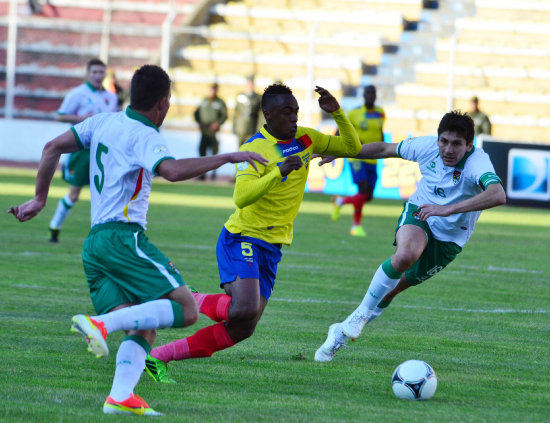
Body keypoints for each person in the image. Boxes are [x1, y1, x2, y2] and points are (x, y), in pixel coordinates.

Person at [8, 64, 267, 416]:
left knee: (144, 324)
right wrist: (228, 156)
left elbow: (53, 146)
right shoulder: (145, 134)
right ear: (163, 103)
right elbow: (172, 171)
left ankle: (120, 396)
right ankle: (100, 325)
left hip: (95, 245)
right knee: (186, 309)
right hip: (123, 238)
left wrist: (39, 199)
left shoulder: (103, 121)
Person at [143, 83, 362, 383]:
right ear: (268, 115)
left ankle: (158, 357)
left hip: (273, 247)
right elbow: (242, 197)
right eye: (287, 112)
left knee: (244, 327)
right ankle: (187, 297)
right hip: (242, 237)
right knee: (244, 308)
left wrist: (337, 112)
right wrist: (278, 172)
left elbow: (352, 148)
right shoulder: (253, 148)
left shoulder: (307, 138)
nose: (294, 117)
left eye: (296, 110)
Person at [314, 110, 506, 362]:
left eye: (457, 144)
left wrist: (447, 209)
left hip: (451, 238)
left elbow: (498, 194)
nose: (448, 149)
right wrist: (343, 151)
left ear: (469, 145)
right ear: (437, 139)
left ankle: (338, 334)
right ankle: (360, 314)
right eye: (444, 141)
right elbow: (384, 149)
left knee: (391, 291)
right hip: (421, 211)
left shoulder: (477, 162)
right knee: (405, 254)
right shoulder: (426, 146)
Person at [48, 58, 118, 243]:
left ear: (105, 74)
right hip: (82, 150)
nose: (97, 76)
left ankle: (105, 236)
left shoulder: (112, 97)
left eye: (101, 72)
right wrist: (81, 119)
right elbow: (60, 116)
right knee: (74, 194)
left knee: (108, 195)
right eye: (94, 72)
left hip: (104, 151)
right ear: (87, 74)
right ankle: (55, 225)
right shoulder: (78, 93)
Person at [331, 85, 385, 237]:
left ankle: (341, 201)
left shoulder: (380, 113)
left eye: (373, 93)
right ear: (363, 95)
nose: (370, 96)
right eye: (368, 93)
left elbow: (380, 133)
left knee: (367, 196)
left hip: (373, 158)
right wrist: (335, 148)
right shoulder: (354, 113)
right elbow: (339, 130)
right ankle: (356, 226)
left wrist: (382, 153)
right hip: (356, 156)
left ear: (375, 96)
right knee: (362, 189)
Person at [194, 83, 228, 180]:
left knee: (214, 153)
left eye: (213, 90)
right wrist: (199, 122)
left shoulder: (220, 102)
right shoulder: (204, 101)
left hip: (214, 132)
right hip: (204, 131)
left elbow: (224, 116)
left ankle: (213, 174)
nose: (212, 92)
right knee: (202, 152)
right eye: (210, 90)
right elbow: (196, 113)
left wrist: (218, 123)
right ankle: (202, 174)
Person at [233, 75, 263, 146]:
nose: (250, 85)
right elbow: (236, 112)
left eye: (251, 83)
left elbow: (260, 114)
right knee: (240, 149)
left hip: (252, 127)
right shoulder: (240, 95)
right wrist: (234, 126)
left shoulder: (258, 97)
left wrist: (259, 128)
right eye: (249, 83)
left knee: (249, 148)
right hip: (240, 127)